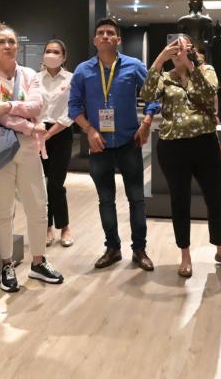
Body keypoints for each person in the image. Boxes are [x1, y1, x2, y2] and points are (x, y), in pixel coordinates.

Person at [142, 36, 221, 277]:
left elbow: (208, 92)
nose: (178, 51)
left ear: (192, 50)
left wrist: (190, 65)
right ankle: (185, 255)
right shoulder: (165, 77)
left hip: (204, 143)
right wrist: (160, 59)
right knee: (180, 200)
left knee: (215, 198)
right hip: (172, 147)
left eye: (183, 47)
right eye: (174, 47)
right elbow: (147, 94)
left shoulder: (206, 70)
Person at [0, 24, 64, 292]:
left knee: (38, 206)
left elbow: (37, 106)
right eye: (2, 41)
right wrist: (30, 127)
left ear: (17, 45)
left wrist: (9, 105)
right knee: (2, 210)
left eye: (11, 41)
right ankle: (7, 264)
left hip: (29, 149)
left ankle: (38, 262)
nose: (8, 46)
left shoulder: (29, 74)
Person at [68, 17, 158, 272]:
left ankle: (139, 249)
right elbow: (73, 107)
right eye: (101, 33)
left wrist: (147, 122)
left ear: (118, 39)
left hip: (130, 142)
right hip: (100, 146)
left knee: (137, 199)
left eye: (110, 33)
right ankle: (113, 248)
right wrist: (89, 130)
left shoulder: (134, 66)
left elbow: (153, 95)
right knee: (105, 200)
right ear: (95, 40)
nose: (105, 36)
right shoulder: (83, 70)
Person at [39, 39, 75, 248]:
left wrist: (50, 133)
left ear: (64, 56)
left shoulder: (71, 79)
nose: (51, 55)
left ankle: (64, 226)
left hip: (61, 133)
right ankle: (46, 226)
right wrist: (39, 132)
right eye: (48, 51)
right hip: (37, 133)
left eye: (56, 52)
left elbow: (71, 110)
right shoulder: (35, 79)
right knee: (40, 185)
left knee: (55, 184)